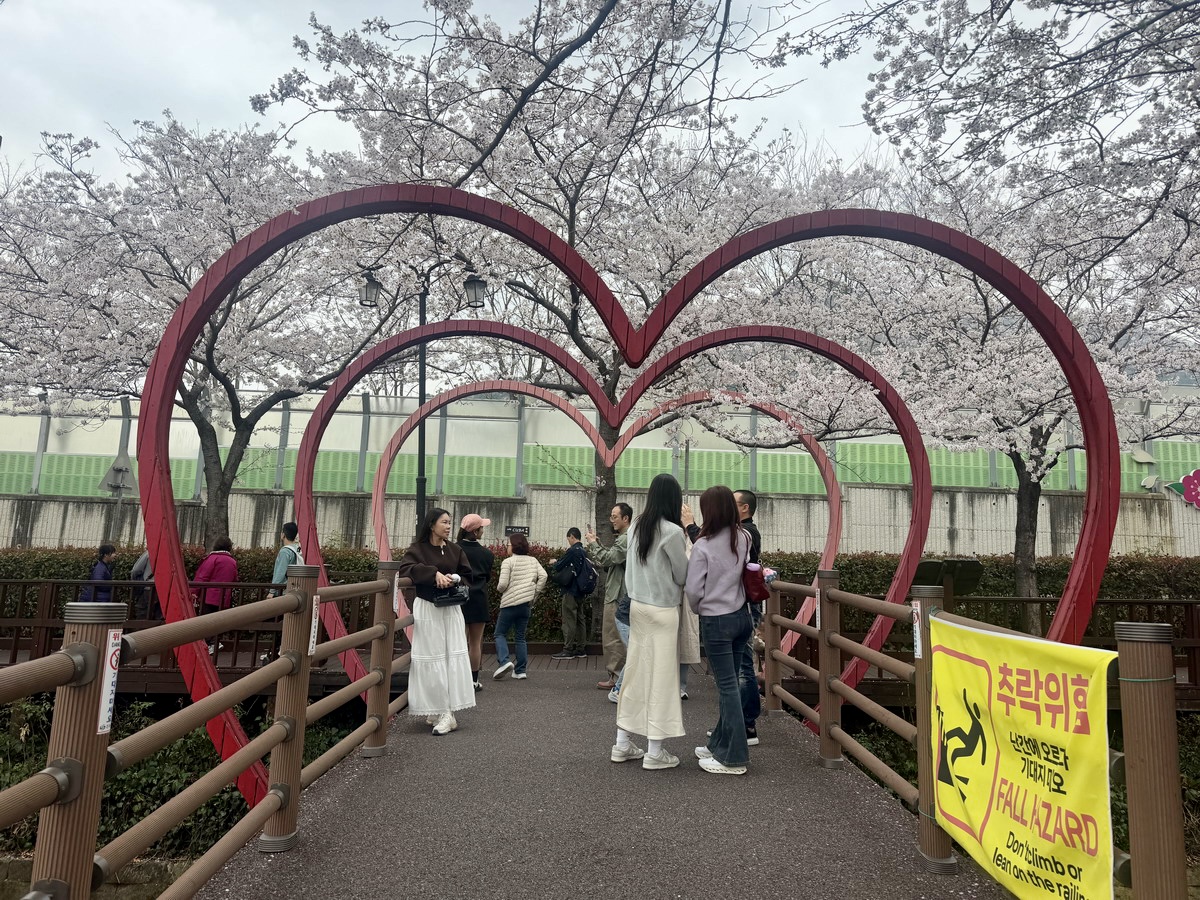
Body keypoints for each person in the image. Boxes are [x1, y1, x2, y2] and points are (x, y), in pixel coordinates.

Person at [611, 474, 689, 770]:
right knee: (662, 678)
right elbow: (682, 576)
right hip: (663, 611)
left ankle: (621, 743)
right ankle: (655, 751)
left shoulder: (635, 529)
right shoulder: (672, 532)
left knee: (635, 674)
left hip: (637, 607)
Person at [683, 488, 762, 747]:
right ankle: (720, 742)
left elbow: (693, 589)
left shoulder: (703, 545)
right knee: (735, 679)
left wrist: (699, 609)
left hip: (716, 619)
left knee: (727, 685)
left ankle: (733, 753)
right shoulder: (744, 537)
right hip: (741, 616)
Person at [397, 507, 475, 736]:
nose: (449, 526)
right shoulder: (417, 549)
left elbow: (469, 576)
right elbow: (406, 569)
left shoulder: (455, 549)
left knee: (450, 656)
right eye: (444, 522)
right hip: (428, 608)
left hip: (451, 608)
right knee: (431, 657)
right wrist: (433, 573)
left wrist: (455, 577)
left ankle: (447, 712)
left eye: (450, 522)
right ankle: (437, 707)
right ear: (432, 525)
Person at [585, 503, 632, 691]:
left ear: (625, 518)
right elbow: (612, 558)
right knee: (618, 637)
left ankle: (617, 678)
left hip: (617, 594)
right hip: (621, 592)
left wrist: (592, 544)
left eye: (615, 516)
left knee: (613, 637)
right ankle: (618, 676)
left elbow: (606, 559)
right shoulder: (627, 538)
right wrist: (599, 544)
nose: (611, 520)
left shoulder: (625, 539)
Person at [493, 533, 547, 681]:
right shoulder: (533, 560)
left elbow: (503, 584)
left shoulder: (508, 562)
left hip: (509, 604)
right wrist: (534, 594)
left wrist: (500, 590)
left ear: (514, 545)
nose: (507, 547)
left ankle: (504, 661)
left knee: (499, 634)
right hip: (525, 605)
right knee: (520, 637)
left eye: (508, 544)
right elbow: (544, 576)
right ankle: (520, 670)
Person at [456, 513, 494, 691]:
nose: (483, 531)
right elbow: (487, 577)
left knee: (459, 641)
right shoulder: (486, 554)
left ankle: (457, 679)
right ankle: (473, 680)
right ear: (476, 531)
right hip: (478, 598)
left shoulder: (454, 549)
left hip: (458, 599)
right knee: (475, 643)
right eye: (482, 528)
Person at [192, 537, 239, 656]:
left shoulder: (212, 559)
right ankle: (216, 641)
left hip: (209, 595)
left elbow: (202, 577)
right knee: (219, 620)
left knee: (206, 619)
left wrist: (194, 592)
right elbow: (235, 579)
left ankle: (210, 643)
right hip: (224, 596)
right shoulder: (232, 561)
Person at [549, 527, 590, 660]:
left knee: (569, 619)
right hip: (581, 590)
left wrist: (554, 562)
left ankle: (568, 649)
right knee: (580, 618)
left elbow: (559, 565)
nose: (569, 542)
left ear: (572, 537)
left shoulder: (572, 550)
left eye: (569, 539)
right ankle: (581, 649)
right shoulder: (583, 551)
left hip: (570, 589)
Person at [268, 522, 304, 596]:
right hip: (295, 589)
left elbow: (280, 573)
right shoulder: (298, 549)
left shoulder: (285, 551)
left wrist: (271, 591)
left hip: (283, 591)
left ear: (283, 535)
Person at [130, 549, 161, 620]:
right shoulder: (172, 554)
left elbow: (135, 570)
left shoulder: (149, 552)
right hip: (164, 590)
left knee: (142, 613)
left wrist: (134, 579)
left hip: (148, 587)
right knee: (158, 615)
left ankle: (142, 630)